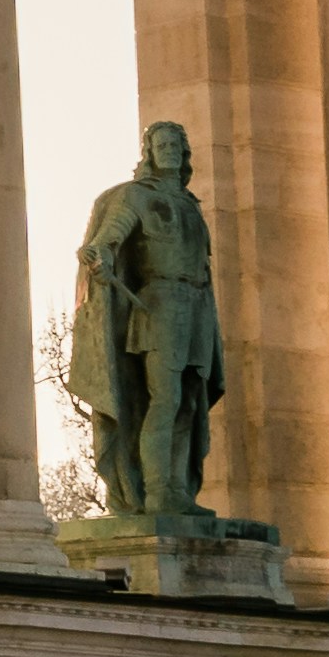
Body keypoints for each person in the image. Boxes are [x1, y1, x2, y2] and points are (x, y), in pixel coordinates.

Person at [66, 122, 226, 521]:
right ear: (149, 152)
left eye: (176, 143)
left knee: (190, 401)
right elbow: (107, 239)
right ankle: (156, 492)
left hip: (197, 304)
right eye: (162, 144)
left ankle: (178, 490)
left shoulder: (190, 203)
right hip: (159, 304)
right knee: (165, 396)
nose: (170, 150)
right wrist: (98, 255)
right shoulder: (136, 197)